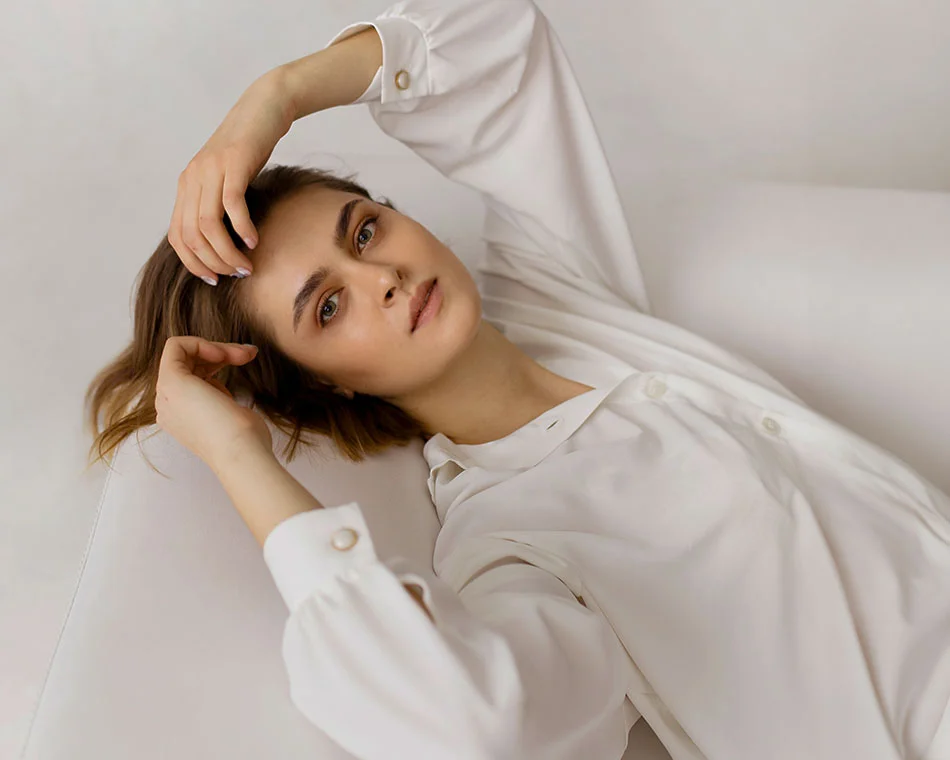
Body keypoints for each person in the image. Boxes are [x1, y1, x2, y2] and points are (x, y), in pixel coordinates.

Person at [84, 0, 950, 758]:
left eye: (363, 232)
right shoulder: (507, 541)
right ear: (324, 386)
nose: (381, 276)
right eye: (328, 310)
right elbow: (473, 725)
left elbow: (501, 41)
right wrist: (241, 458)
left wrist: (276, 98)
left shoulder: (564, 299)